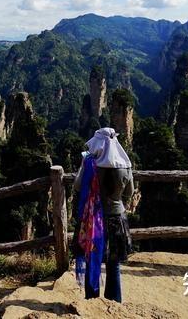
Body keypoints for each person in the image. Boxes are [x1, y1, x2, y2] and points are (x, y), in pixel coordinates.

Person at [74, 127, 134, 302]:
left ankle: (92, 300)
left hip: (93, 220)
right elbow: (129, 193)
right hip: (117, 217)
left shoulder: (91, 165)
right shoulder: (125, 165)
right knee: (113, 263)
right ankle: (114, 301)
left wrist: (83, 167)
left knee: (92, 259)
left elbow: (78, 186)